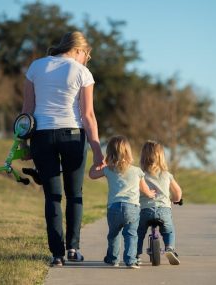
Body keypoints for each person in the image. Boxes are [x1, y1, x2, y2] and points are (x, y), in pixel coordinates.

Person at [21, 31, 103, 266]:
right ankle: (73, 250)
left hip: (41, 136)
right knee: (74, 194)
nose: (86, 60)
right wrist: (98, 151)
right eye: (86, 55)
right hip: (73, 136)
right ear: (79, 50)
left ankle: (57, 254)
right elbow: (87, 115)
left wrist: (22, 143)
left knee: (52, 197)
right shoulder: (82, 72)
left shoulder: (36, 67)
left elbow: (27, 109)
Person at [89, 135, 156, 269]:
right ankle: (130, 260)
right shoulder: (137, 171)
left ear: (109, 153)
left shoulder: (108, 169)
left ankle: (113, 259)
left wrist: (97, 164)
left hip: (114, 208)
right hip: (132, 208)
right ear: (128, 152)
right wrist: (151, 194)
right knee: (131, 234)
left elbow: (92, 175)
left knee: (114, 234)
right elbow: (144, 190)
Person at [137, 140, 182, 265]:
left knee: (138, 232)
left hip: (144, 210)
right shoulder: (166, 175)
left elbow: (135, 191)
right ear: (161, 157)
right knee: (169, 230)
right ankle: (169, 248)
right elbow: (178, 192)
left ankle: (136, 255)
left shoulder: (140, 175)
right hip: (164, 210)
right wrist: (175, 200)